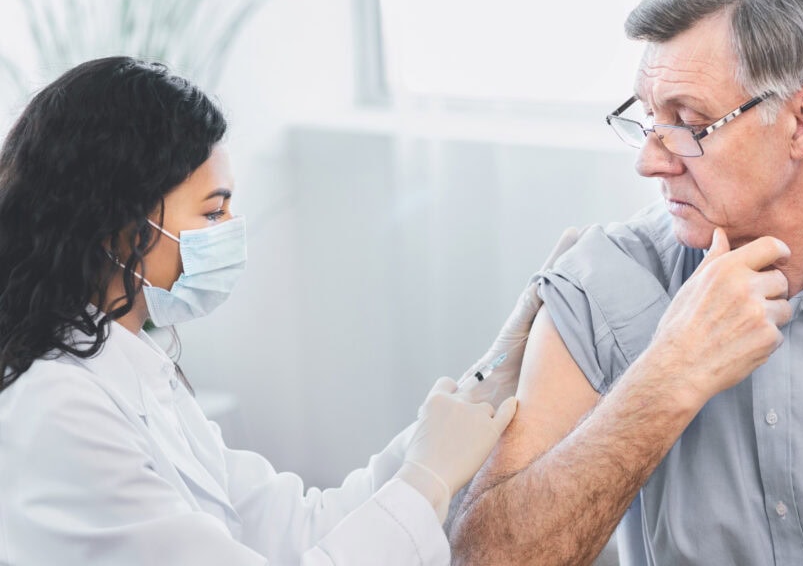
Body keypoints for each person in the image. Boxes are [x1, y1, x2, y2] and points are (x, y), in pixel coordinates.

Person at [449, 0, 803, 564]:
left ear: (802, 122)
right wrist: (668, 375)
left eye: (689, 123)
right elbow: (489, 558)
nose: (649, 160)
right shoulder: (604, 284)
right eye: (648, 118)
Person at [0, 56, 577, 565]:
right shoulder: (60, 408)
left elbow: (299, 526)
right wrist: (427, 477)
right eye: (211, 213)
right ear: (120, 224)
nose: (231, 233)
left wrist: (481, 386)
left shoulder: (138, 370)